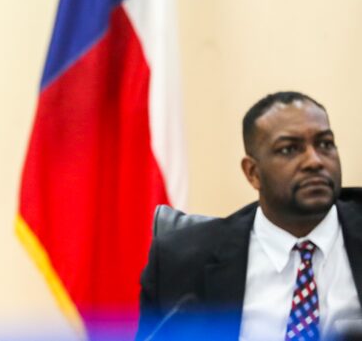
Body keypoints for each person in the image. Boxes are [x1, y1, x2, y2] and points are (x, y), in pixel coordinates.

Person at [138, 92, 362, 341]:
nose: (314, 161)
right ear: (253, 172)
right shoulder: (181, 263)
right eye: (289, 149)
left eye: (325, 144)